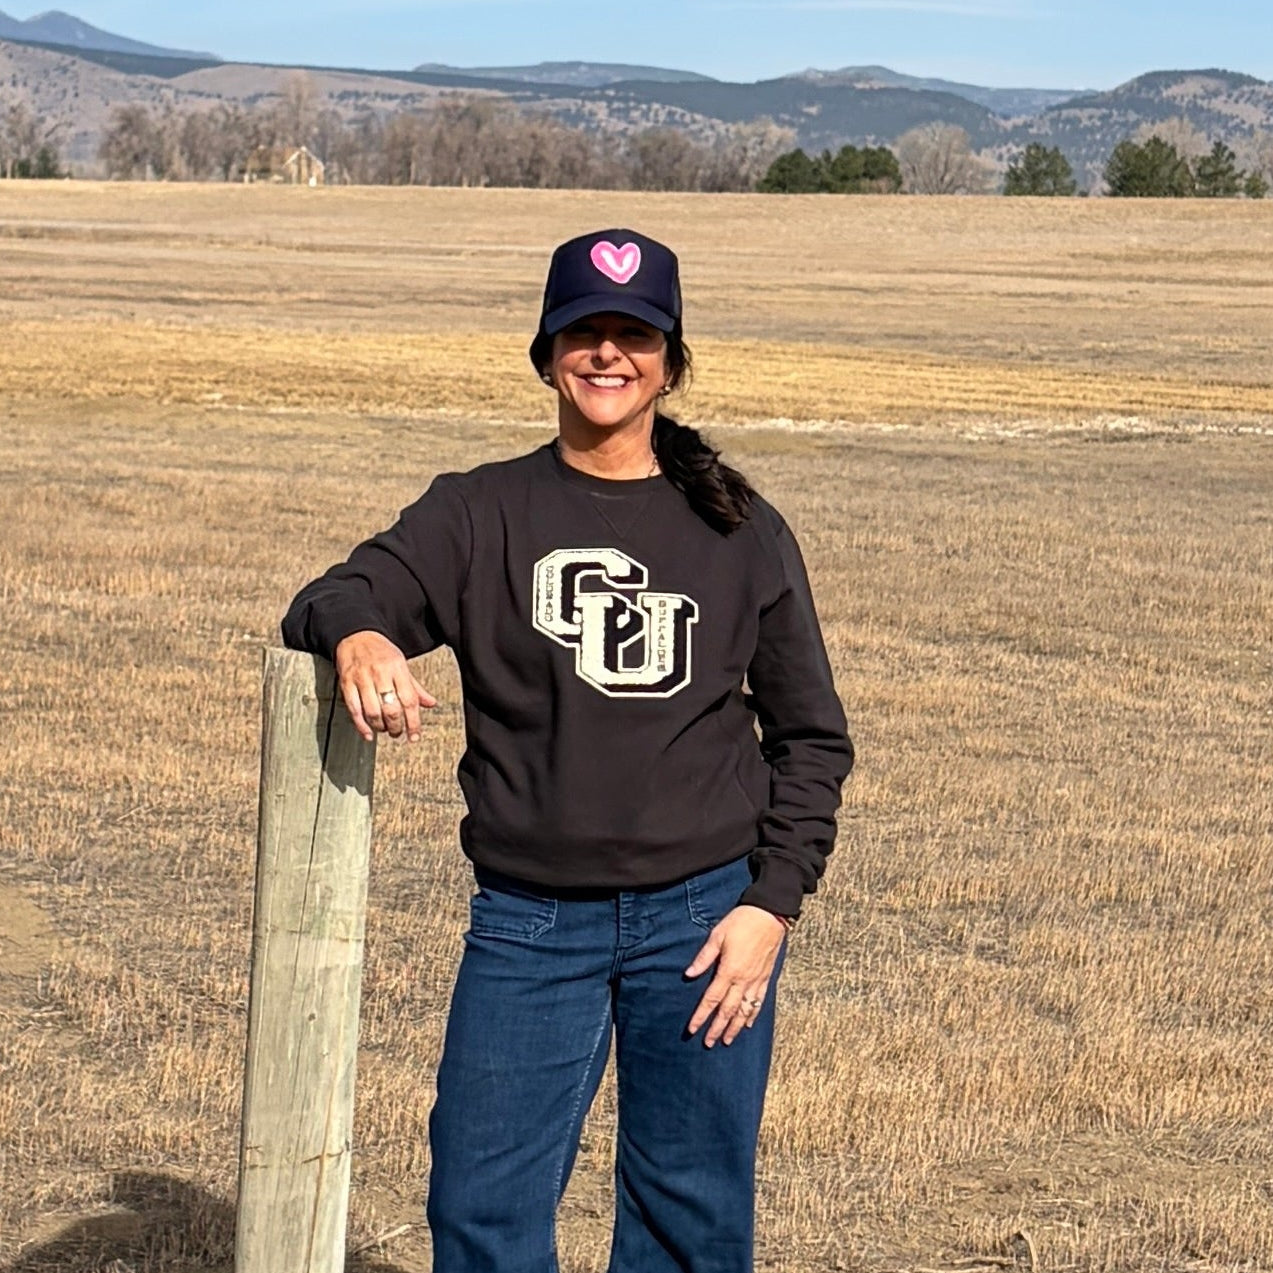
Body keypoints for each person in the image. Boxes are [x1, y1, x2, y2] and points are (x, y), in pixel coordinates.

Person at [281, 227, 853, 1273]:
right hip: (526, 924)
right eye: (580, 331)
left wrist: (768, 906)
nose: (606, 354)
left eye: (632, 334)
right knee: (480, 1206)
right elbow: (336, 591)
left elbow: (811, 736)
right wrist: (359, 633)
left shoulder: (738, 527)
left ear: (672, 360)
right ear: (545, 354)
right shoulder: (478, 511)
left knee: (689, 1217)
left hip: (702, 922)